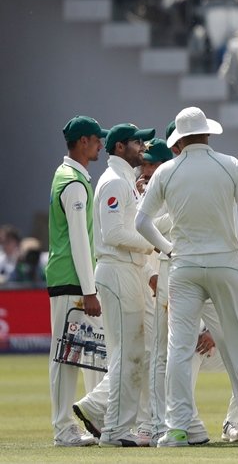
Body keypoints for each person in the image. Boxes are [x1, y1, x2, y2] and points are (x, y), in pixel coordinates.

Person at [135, 107, 238, 447]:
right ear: (207, 134)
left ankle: (175, 428)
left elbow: (141, 222)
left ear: (179, 139)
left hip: (185, 266)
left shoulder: (166, 172)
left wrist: (169, 248)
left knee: (178, 348)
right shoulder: (230, 164)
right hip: (225, 262)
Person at [83, 124, 156, 447]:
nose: (142, 147)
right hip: (117, 269)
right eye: (136, 142)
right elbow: (113, 234)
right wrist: (151, 244)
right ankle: (114, 430)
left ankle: (115, 425)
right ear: (119, 147)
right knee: (127, 353)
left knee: (131, 353)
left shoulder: (125, 180)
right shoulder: (114, 181)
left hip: (126, 270)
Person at [48, 116, 108, 447]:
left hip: (72, 280)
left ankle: (88, 423)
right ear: (82, 142)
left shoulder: (71, 176)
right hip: (71, 281)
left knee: (85, 354)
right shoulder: (73, 182)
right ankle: (63, 430)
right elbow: (78, 241)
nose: (101, 143)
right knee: (65, 357)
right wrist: (90, 290)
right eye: (96, 139)